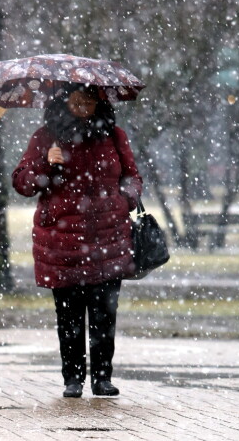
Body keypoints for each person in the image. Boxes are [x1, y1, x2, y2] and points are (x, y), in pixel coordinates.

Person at [12, 84, 142, 398]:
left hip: (107, 238)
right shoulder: (45, 137)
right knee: (68, 315)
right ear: (63, 102)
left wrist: (125, 200)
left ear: (100, 102)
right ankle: (73, 378)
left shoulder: (114, 135)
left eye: (90, 99)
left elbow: (132, 176)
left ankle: (102, 377)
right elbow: (22, 182)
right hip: (61, 242)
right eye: (77, 99)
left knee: (103, 313)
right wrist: (46, 162)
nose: (83, 105)